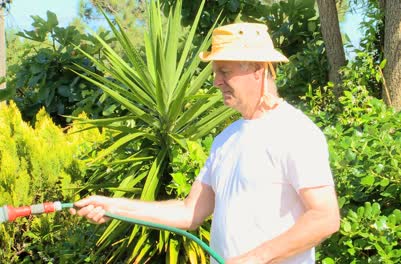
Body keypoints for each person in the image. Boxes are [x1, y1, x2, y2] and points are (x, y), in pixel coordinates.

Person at [71, 23, 340, 264]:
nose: (216, 81)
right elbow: (190, 212)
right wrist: (114, 206)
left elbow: (325, 217)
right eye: (215, 72)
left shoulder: (296, 131)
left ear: (258, 70)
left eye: (224, 71)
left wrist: (255, 259)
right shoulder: (226, 139)